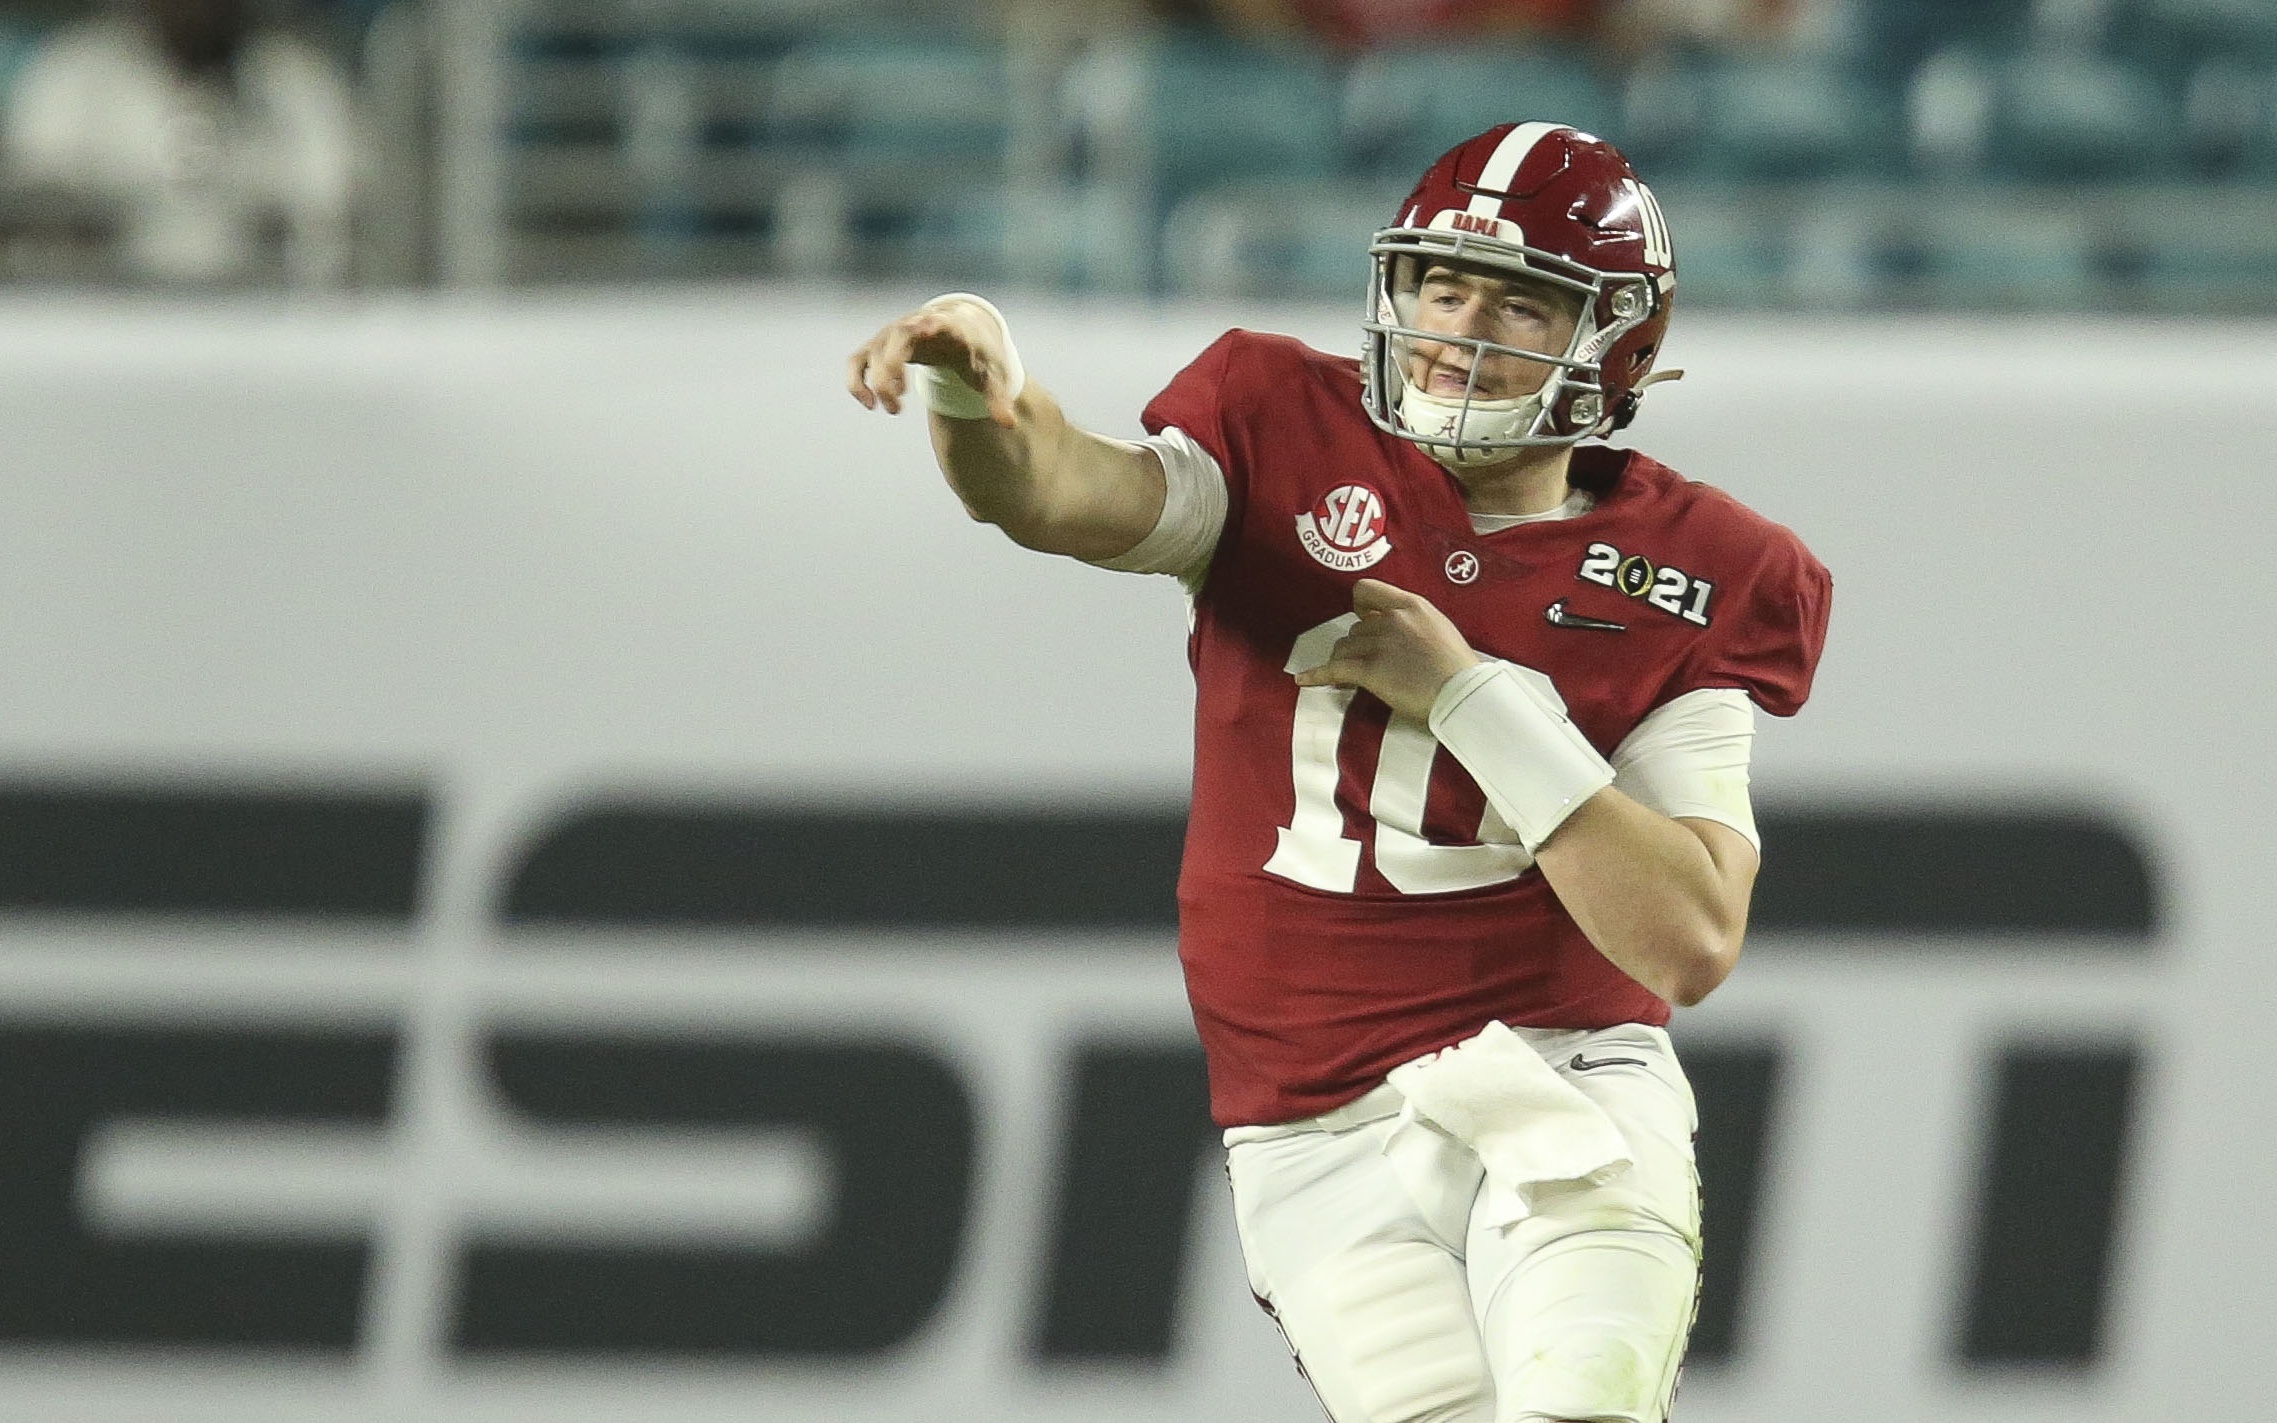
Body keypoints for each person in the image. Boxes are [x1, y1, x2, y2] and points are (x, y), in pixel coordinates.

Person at [848, 121, 1829, 1423]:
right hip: (1311, 1126)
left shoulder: (1701, 565)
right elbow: (1056, 492)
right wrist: (975, 393)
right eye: (1441, 284)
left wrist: (1467, 694)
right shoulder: (1278, 430)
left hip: (1566, 1083)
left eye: (1521, 300)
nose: (1459, 328)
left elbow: (1690, 935)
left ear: (1618, 344)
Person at [3, 0, 360, 287]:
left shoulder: (300, 84)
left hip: (268, 333)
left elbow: (336, 223)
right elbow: (36, 227)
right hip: (100, 332)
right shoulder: (70, 75)